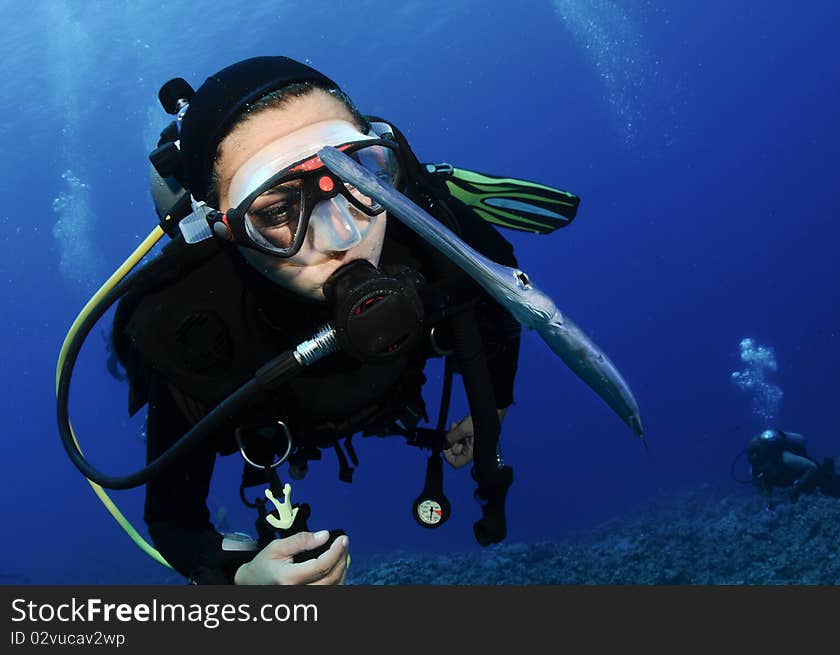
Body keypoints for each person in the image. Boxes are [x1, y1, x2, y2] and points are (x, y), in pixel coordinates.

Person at [108, 55, 550, 585]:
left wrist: (493, 405)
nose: (344, 233)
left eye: (359, 173)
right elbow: (173, 520)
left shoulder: (436, 241)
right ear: (223, 229)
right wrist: (240, 582)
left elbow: (500, 310)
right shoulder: (196, 332)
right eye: (276, 212)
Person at [747, 429, 840, 505]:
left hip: (806, 473)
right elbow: (762, 490)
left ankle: (831, 467)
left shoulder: (784, 457)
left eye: (762, 460)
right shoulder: (755, 470)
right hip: (793, 480)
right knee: (816, 489)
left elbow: (811, 467)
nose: (761, 465)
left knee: (827, 485)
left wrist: (797, 485)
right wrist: (770, 500)